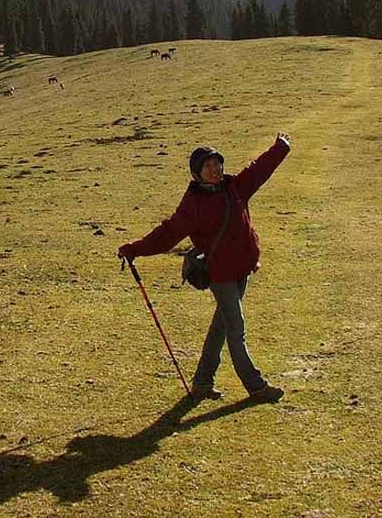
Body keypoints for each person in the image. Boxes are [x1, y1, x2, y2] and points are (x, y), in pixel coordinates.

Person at [117, 133, 292, 403]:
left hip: (242, 269)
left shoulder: (235, 187)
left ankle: (201, 383)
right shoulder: (193, 205)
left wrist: (280, 148)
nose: (214, 170)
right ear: (197, 173)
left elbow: (260, 170)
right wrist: (134, 248)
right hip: (220, 275)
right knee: (236, 328)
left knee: (221, 327)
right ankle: (256, 387)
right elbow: (167, 233)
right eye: (207, 166)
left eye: (217, 163)